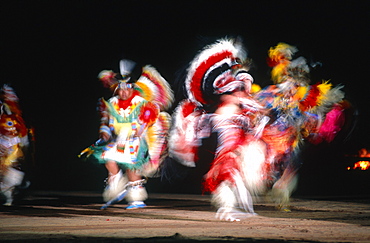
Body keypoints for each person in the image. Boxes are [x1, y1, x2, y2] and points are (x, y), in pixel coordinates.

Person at [254, 43, 348, 211]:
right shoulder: (272, 93)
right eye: (289, 83)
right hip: (271, 137)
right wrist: (266, 111)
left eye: (296, 85)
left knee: (292, 165)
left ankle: (282, 197)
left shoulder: (300, 101)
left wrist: (313, 124)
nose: (292, 87)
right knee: (269, 165)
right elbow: (259, 106)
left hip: (290, 140)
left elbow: (307, 120)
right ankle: (266, 183)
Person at [80, 59, 173, 209]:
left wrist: (138, 131)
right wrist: (103, 133)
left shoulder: (141, 102)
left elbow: (147, 118)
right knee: (107, 156)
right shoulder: (111, 103)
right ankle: (116, 182)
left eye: (126, 89)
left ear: (132, 88)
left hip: (134, 139)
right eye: (120, 89)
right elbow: (105, 122)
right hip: (116, 138)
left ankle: (136, 197)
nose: (123, 93)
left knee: (131, 165)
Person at [0, 84, 30, 206]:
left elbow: (22, 135)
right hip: (4, 143)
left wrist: (23, 145)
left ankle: (10, 194)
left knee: (12, 168)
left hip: (12, 145)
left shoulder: (15, 120)